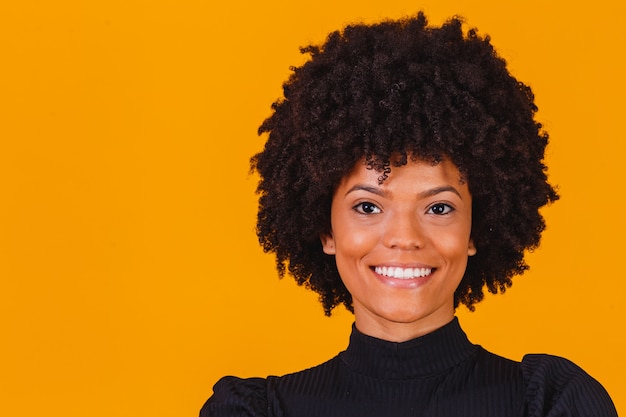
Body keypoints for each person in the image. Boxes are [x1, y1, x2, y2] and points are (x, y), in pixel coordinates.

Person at [200, 11, 617, 416]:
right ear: (325, 231)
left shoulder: (549, 402)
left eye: (439, 207)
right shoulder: (258, 410)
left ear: (475, 229)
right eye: (368, 206)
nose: (405, 236)